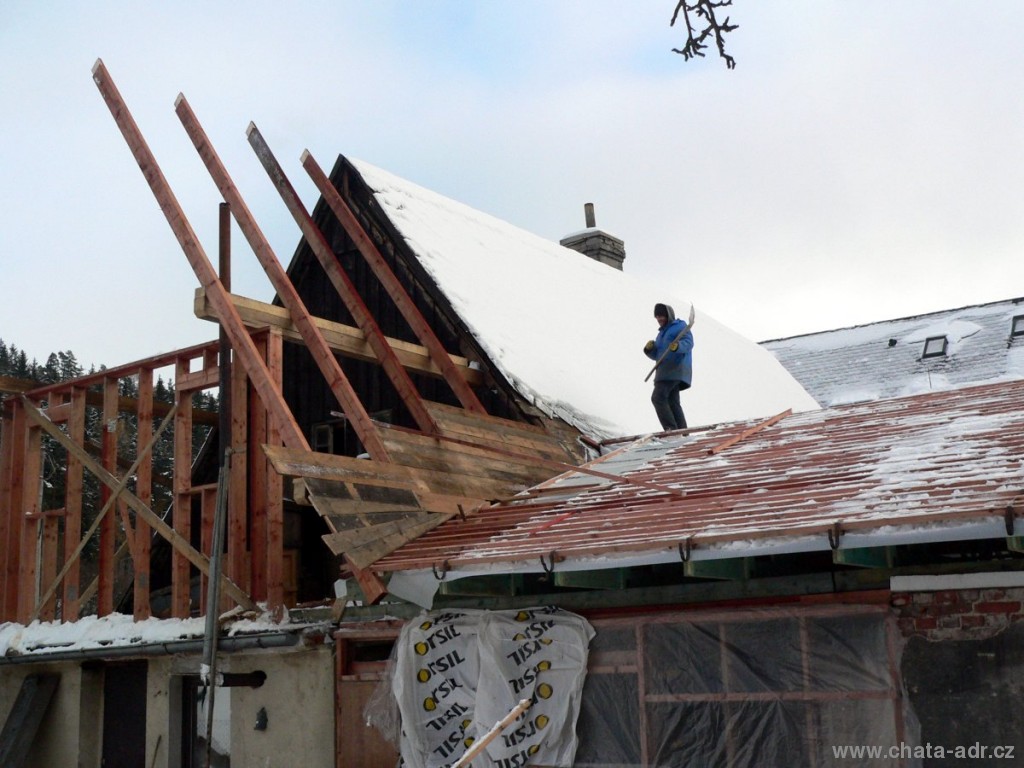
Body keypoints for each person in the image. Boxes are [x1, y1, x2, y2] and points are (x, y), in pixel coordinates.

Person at [643, 302, 693, 431]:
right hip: (664, 370)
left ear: (668, 315)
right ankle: (682, 431)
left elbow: (688, 343)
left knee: (658, 398)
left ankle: (670, 429)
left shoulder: (680, 327)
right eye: (657, 317)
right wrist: (650, 350)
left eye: (661, 316)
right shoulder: (661, 334)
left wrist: (678, 347)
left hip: (674, 369)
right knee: (672, 402)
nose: (659, 319)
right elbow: (659, 356)